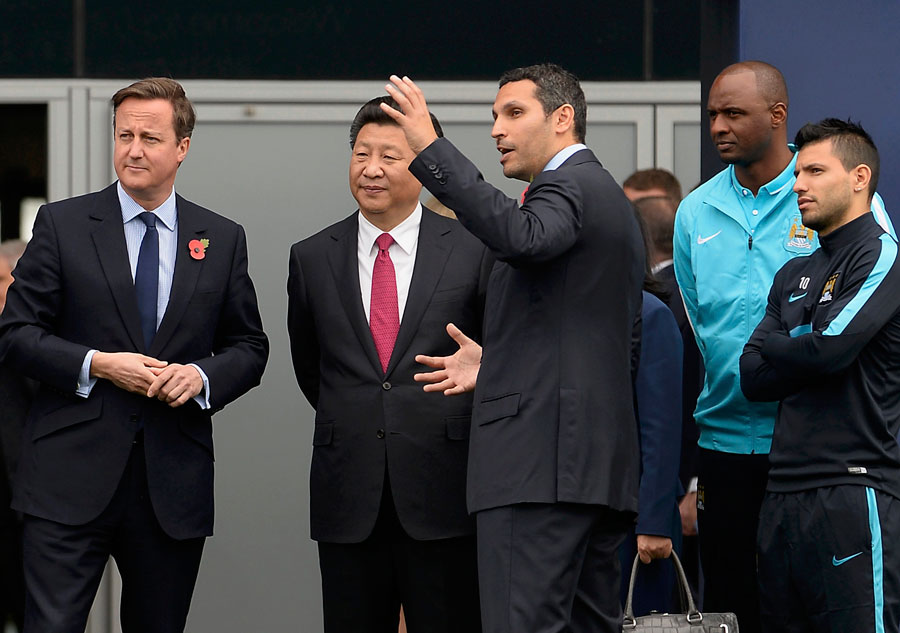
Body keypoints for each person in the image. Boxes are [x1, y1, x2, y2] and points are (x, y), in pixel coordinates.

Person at [0, 77, 269, 632]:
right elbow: (16, 334)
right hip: (65, 478)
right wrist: (97, 363)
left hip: (171, 482)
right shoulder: (63, 224)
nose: (134, 149)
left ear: (182, 147)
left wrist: (200, 376)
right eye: (124, 135)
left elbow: (249, 347)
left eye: (150, 136)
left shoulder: (220, 237)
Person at [382, 64, 645, 633]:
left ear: (563, 118)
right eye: (493, 117)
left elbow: (522, 238)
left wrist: (431, 148)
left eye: (514, 113)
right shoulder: (604, 197)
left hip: (539, 470)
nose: (498, 130)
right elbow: (592, 336)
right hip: (590, 470)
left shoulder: (568, 184)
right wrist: (497, 363)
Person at [673, 61, 893, 631]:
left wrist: (786, 346)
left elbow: (849, 333)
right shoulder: (695, 210)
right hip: (724, 441)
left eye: (733, 113)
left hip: (817, 450)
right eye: (712, 114)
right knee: (735, 610)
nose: (718, 125)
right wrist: (791, 345)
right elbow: (710, 334)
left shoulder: (835, 196)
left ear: (777, 117)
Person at [287, 96, 489, 633]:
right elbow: (313, 368)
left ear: (422, 166)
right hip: (347, 493)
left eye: (390, 156)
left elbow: (494, 353)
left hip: (445, 493)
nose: (371, 169)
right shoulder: (311, 257)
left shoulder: (471, 250)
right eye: (360, 153)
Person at [741, 119, 900, 632]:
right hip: (782, 493)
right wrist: (803, 345)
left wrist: (788, 343)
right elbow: (752, 377)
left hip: (853, 490)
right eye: (797, 172)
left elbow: (829, 350)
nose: (798, 185)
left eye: (813, 170)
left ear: (859, 177)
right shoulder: (793, 272)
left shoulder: (881, 253)